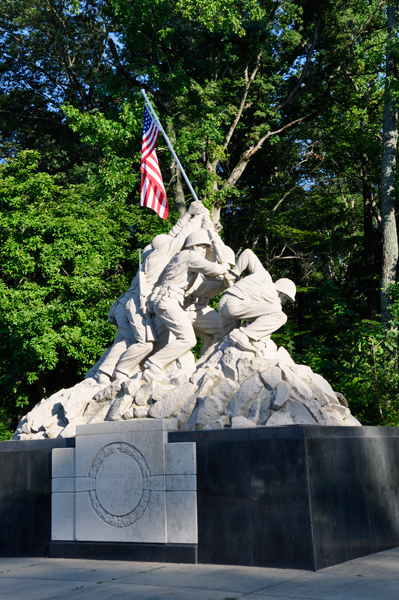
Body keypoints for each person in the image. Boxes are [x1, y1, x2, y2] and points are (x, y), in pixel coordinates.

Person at [90, 202, 208, 383]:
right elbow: (180, 236)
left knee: (126, 339)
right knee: (140, 342)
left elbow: (174, 235)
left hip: (128, 303)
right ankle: (111, 373)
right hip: (135, 304)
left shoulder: (154, 257)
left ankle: (99, 373)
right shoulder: (161, 256)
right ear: (164, 248)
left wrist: (187, 217)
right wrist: (197, 215)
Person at [143, 229, 230, 378]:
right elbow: (213, 269)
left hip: (170, 300)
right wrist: (225, 267)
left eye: (206, 248)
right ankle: (154, 364)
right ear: (193, 245)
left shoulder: (187, 257)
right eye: (202, 247)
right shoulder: (188, 255)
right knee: (188, 339)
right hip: (167, 300)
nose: (204, 251)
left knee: (182, 338)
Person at [218, 248, 296, 353]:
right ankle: (244, 335)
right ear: (281, 291)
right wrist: (262, 340)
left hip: (225, 301)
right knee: (280, 316)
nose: (284, 301)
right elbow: (265, 321)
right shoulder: (274, 300)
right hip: (236, 304)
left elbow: (248, 253)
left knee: (223, 345)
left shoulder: (263, 275)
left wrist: (234, 272)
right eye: (285, 298)